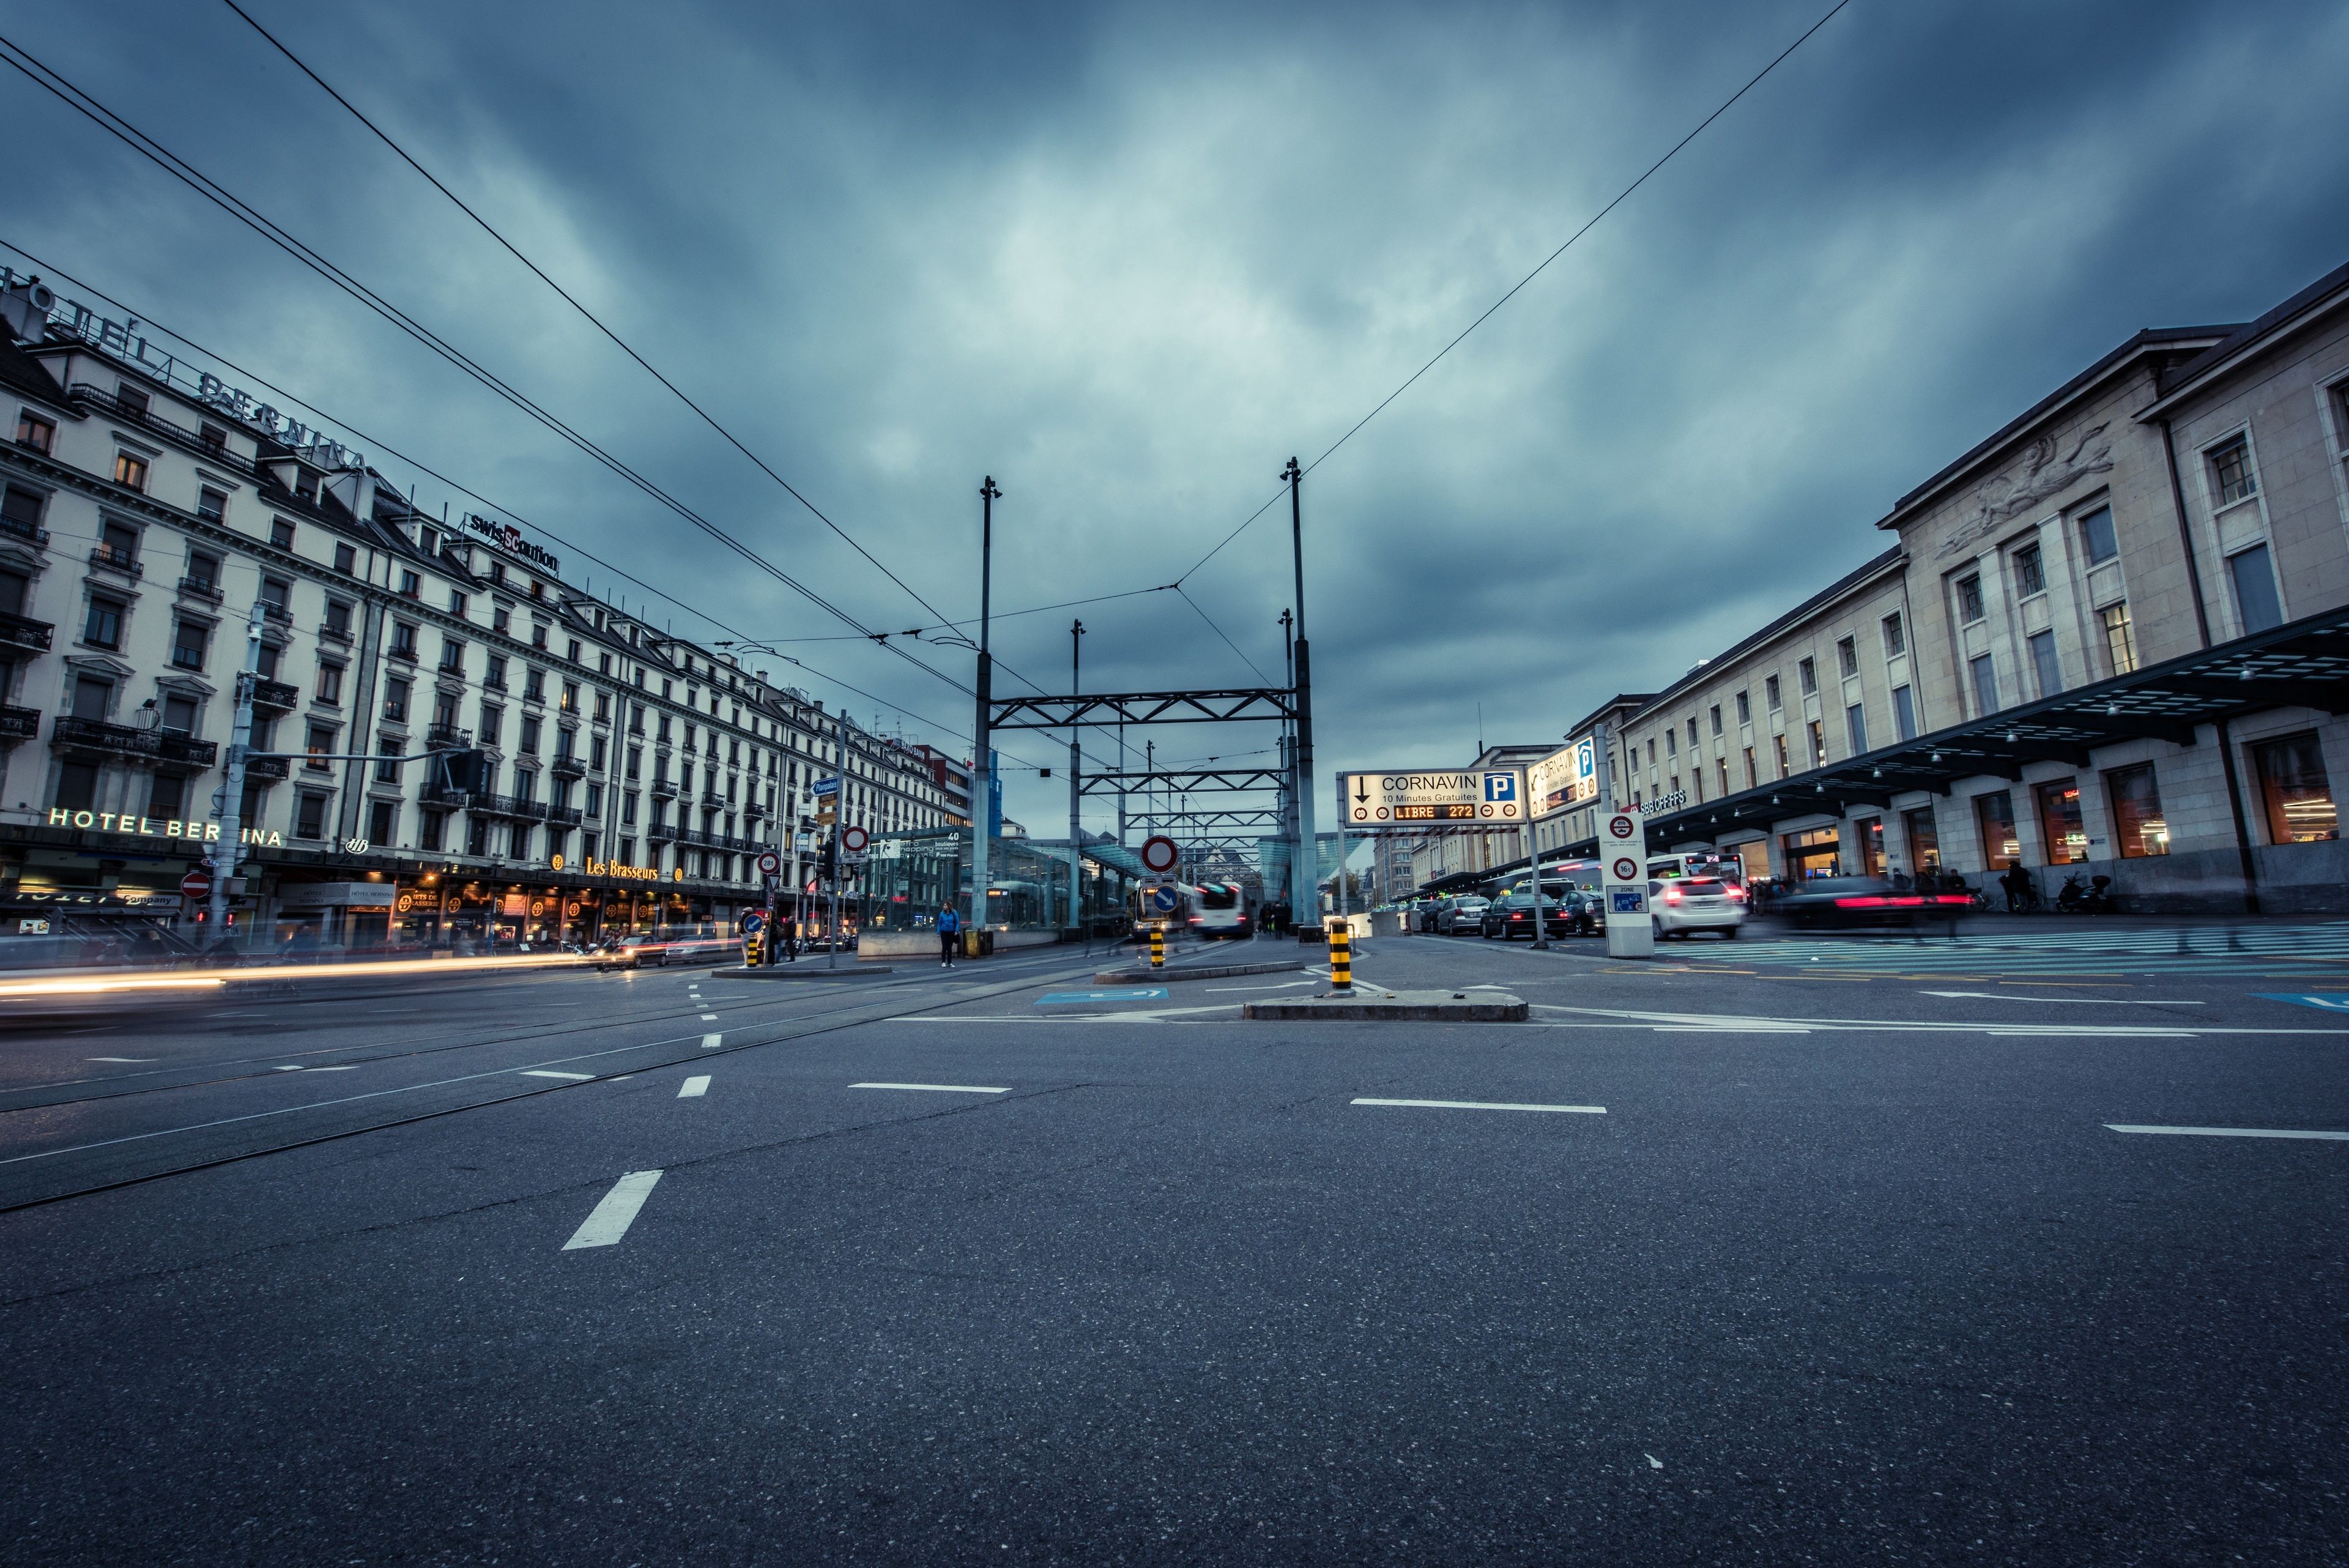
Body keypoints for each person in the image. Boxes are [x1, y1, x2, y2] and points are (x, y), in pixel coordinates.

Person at [937, 902, 961, 967]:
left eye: (945, 905)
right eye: (944, 905)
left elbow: (957, 922)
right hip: (944, 931)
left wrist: (956, 931)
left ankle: (950, 962)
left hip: (951, 932)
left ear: (949, 906)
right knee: (944, 947)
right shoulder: (942, 914)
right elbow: (940, 923)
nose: (944, 907)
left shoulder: (954, 913)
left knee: (949, 947)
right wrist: (938, 932)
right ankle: (943, 962)